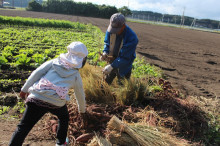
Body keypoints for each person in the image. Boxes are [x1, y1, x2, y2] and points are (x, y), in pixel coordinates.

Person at [9, 42, 88, 146]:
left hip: (37, 97)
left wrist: (25, 89)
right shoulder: (76, 75)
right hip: (56, 102)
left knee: (23, 127)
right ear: (81, 60)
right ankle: (60, 143)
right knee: (64, 118)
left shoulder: (54, 62)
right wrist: (82, 110)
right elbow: (80, 94)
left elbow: (36, 73)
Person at [101, 13, 139, 85]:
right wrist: (105, 52)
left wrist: (112, 66)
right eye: (113, 29)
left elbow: (125, 57)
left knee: (123, 85)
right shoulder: (110, 30)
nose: (114, 31)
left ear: (123, 26)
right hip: (112, 60)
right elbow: (107, 42)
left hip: (124, 64)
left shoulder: (132, 38)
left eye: (116, 29)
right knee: (105, 82)